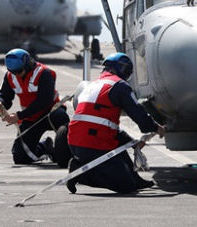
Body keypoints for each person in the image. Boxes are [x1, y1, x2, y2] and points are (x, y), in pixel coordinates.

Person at [67, 52, 166, 194]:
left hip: (76, 140)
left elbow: (105, 124)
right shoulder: (120, 86)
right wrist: (156, 128)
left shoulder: (93, 84)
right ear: (122, 69)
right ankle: (80, 173)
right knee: (126, 186)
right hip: (93, 143)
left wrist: (132, 142)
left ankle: (135, 178)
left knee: (119, 147)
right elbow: (138, 113)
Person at [0, 48, 69, 165]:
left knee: (60, 117)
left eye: (19, 71)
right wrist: (0, 103)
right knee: (20, 158)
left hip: (50, 113)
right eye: (14, 72)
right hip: (30, 118)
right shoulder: (10, 75)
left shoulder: (44, 73)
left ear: (28, 65)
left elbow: (44, 100)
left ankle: (67, 150)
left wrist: (19, 116)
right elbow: (5, 95)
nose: (16, 75)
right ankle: (45, 147)